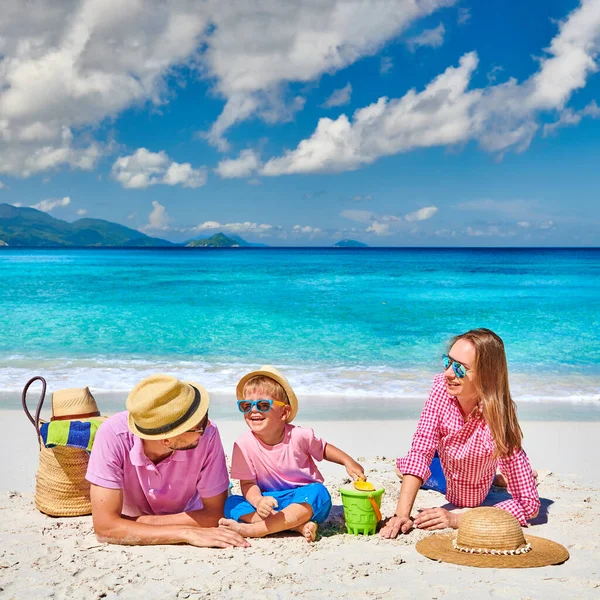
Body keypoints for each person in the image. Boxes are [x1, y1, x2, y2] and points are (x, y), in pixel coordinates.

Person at [380, 328, 540, 539]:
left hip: (474, 468)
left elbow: (529, 504)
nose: (448, 373)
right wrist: (401, 515)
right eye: (448, 361)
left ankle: (495, 476)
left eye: (460, 368)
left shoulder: (499, 419)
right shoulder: (441, 387)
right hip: (445, 458)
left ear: (486, 376)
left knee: (468, 496)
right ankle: (495, 476)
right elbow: (421, 449)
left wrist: (457, 519)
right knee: (410, 466)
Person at [86, 374, 249, 548]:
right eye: (199, 424)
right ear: (166, 440)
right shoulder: (112, 435)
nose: (207, 424)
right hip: (190, 519)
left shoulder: (208, 434)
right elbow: (105, 528)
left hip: (184, 511)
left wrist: (133, 523)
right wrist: (184, 532)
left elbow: (214, 513)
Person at [218, 365, 365, 543]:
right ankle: (296, 526)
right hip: (268, 501)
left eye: (263, 405)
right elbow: (248, 484)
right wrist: (258, 502)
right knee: (231, 503)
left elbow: (324, 448)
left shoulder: (299, 436)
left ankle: (258, 529)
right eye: (246, 405)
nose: (253, 410)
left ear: (284, 413)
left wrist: (347, 461)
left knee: (319, 493)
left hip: (301, 498)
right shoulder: (243, 445)